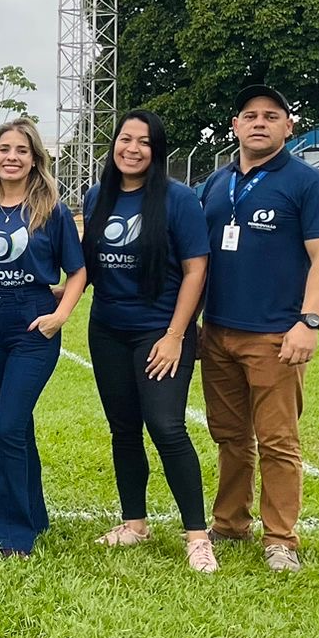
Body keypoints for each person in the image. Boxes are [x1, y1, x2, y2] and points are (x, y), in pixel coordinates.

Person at [199, 85, 319, 573]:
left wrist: (309, 321)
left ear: (289, 126)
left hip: (276, 335)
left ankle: (280, 539)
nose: (259, 122)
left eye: (271, 115)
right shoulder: (216, 183)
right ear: (235, 126)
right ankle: (229, 523)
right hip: (217, 332)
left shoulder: (310, 183)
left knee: (278, 441)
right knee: (230, 436)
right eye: (250, 115)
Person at [82, 110, 214, 571]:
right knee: (123, 428)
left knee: (166, 426)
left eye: (143, 142)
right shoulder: (97, 195)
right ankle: (134, 523)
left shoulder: (179, 199)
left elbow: (196, 270)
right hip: (107, 330)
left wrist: (176, 335)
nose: (132, 149)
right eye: (125, 139)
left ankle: (197, 536)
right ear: (114, 144)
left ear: (156, 151)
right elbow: (92, 265)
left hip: (160, 332)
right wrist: (61, 293)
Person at [0, 118, 86, 557]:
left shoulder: (51, 209)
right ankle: (34, 513)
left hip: (32, 321)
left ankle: (12, 534)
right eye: (4, 149)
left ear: (35, 159)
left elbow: (78, 272)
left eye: (21, 150)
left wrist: (59, 317)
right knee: (14, 425)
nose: (11, 157)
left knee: (7, 426)